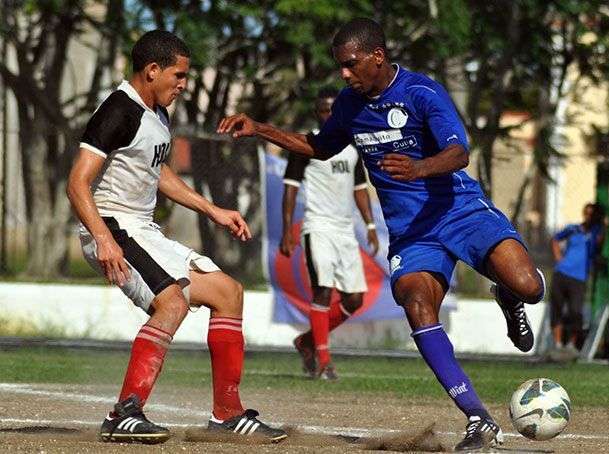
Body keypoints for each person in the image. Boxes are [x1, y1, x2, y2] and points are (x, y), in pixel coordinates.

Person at [217, 18, 545, 451]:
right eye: (340, 67)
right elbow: (320, 146)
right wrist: (261, 128)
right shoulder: (350, 107)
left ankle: (509, 295)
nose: (345, 75)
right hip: (413, 234)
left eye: (351, 65)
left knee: (529, 287)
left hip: (461, 211)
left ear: (377, 56)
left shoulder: (421, 93)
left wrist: (419, 168)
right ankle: (478, 419)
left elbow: (459, 152)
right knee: (416, 304)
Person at [66, 30, 286, 444]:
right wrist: (104, 238)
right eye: (179, 75)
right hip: (112, 225)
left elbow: (158, 173)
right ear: (152, 70)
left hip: (141, 229)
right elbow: (77, 183)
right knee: (172, 304)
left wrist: (212, 210)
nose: (183, 85)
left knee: (228, 292)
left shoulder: (156, 113)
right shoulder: (118, 110)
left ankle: (228, 415)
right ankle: (123, 413)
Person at [281, 87, 380, 379]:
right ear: (317, 113)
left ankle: (308, 341)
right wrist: (287, 229)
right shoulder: (307, 144)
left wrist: (371, 225)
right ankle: (324, 360)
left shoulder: (352, 146)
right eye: (324, 110)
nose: (329, 115)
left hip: (345, 231)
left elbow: (359, 188)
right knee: (322, 290)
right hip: (318, 227)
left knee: (354, 300)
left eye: (333, 110)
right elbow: (290, 189)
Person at [549, 203, 604, 356]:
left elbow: (599, 244)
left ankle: (572, 345)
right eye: (587, 213)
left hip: (579, 278)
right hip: (562, 273)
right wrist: (558, 257)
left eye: (592, 214)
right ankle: (558, 344)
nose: (589, 217)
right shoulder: (573, 228)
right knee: (557, 308)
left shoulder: (596, 232)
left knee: (576, 311)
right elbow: (555, 239)